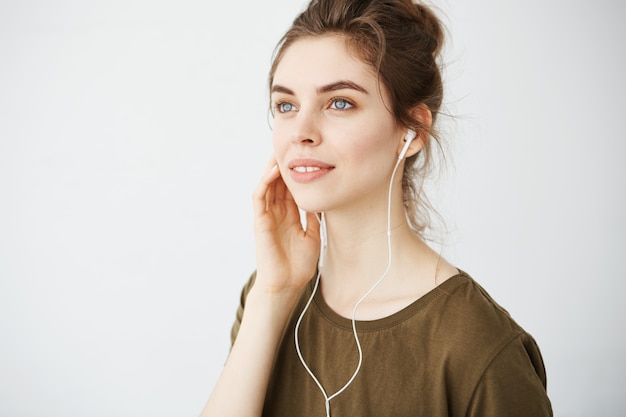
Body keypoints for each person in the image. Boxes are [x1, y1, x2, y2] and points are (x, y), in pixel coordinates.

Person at [201, 0, 553, 416]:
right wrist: (272, 296)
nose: (301, 132)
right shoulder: (267, 294)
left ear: (414, 130)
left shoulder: (477, 344)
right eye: (286, 105)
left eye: (340, 103)